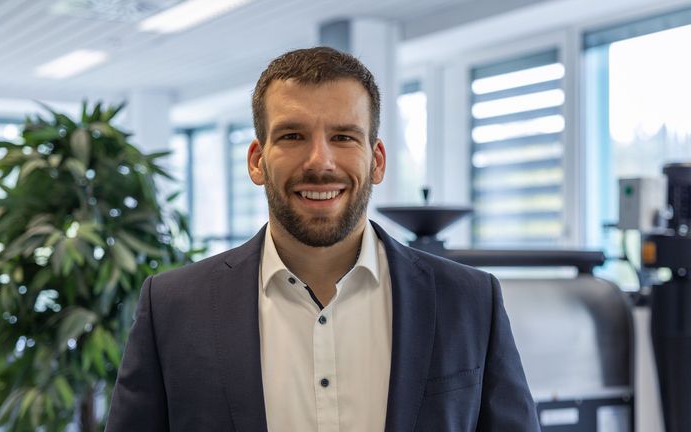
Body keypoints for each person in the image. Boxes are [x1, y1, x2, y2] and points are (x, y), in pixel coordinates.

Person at [106, 47, 540, 432]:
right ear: (257, 161)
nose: (320, 161)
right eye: (293, 136)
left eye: (343, 137)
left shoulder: (468, 301)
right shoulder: (172, 307)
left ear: (377, 160)